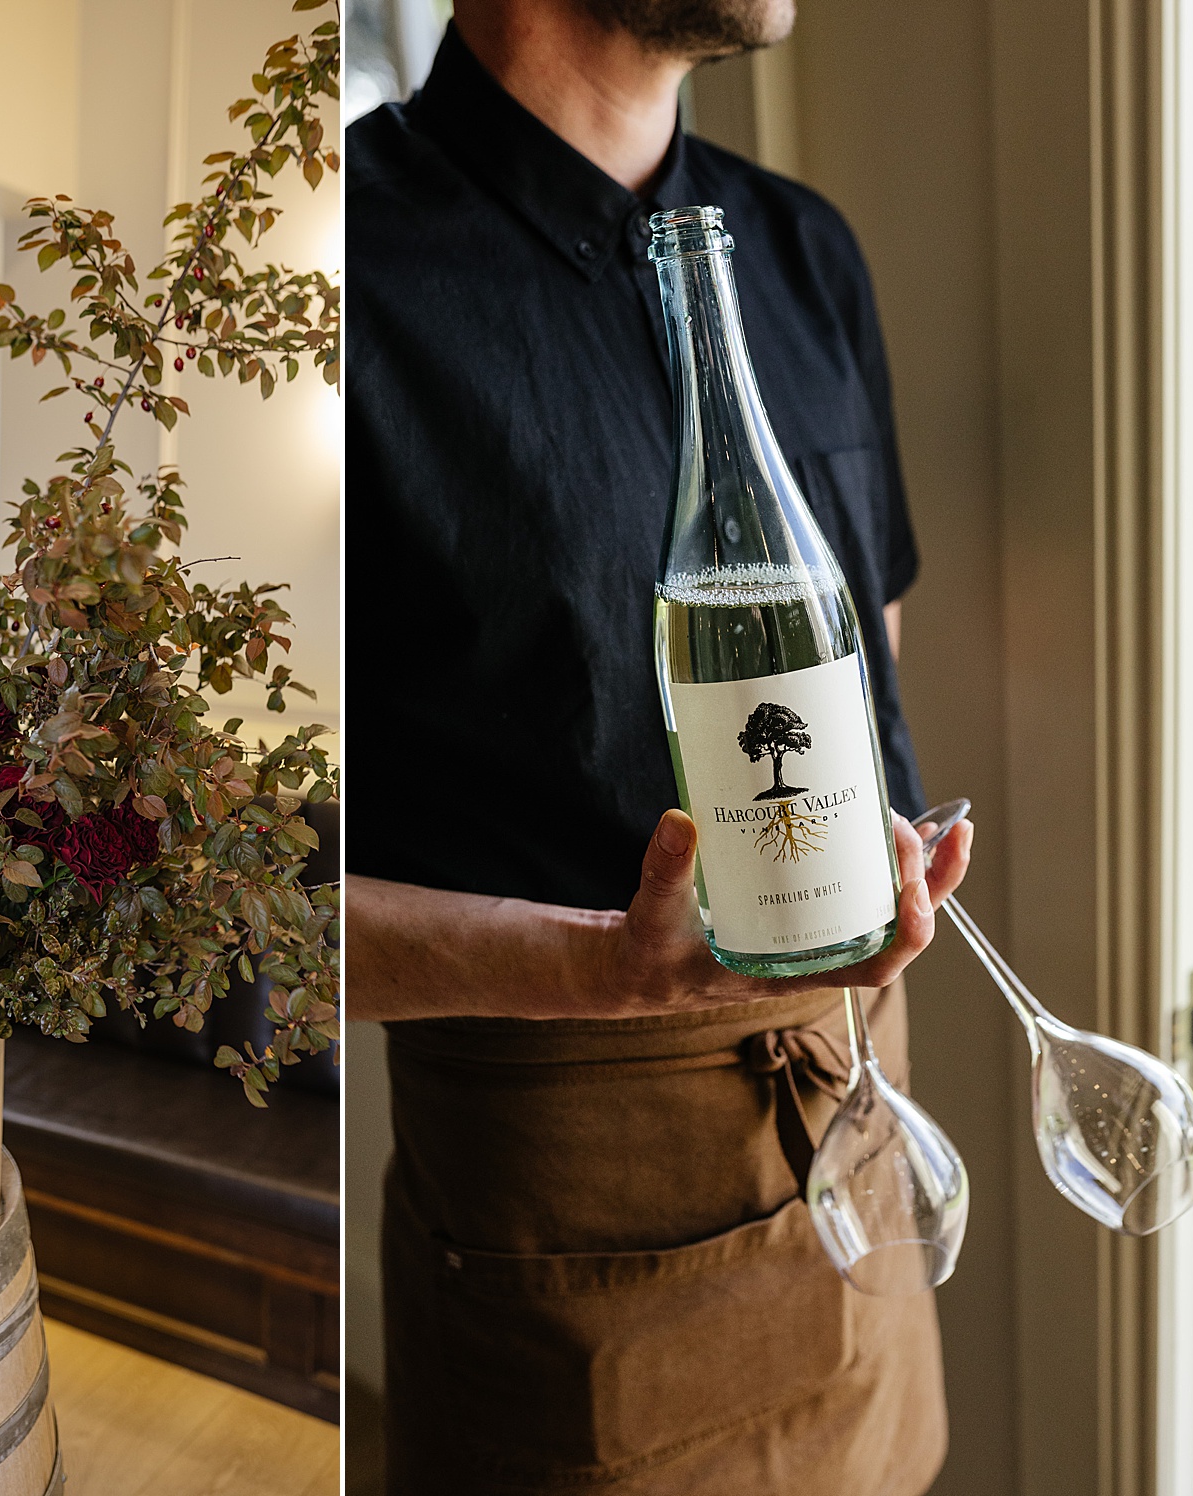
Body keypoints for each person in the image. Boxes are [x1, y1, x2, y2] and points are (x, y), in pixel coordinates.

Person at [345, 0, 976, 1491]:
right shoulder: (340, 277)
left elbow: (863, 652)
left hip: (860, 1108)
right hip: (570, 1224)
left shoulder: (804, 247)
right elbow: (253, 913)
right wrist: (593, 964)